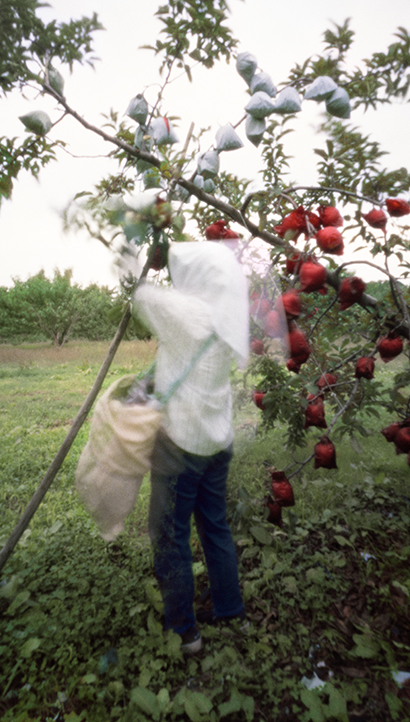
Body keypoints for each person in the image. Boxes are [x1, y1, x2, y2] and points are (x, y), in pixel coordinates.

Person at [133, 240, 250, 654]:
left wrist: (154, 255)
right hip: (217, 442)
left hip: (181, 445)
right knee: (214, 526)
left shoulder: (187, 313)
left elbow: (140, 297)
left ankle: (185, 632)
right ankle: (230, 608)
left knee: (169, 535)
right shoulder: (229, 318)